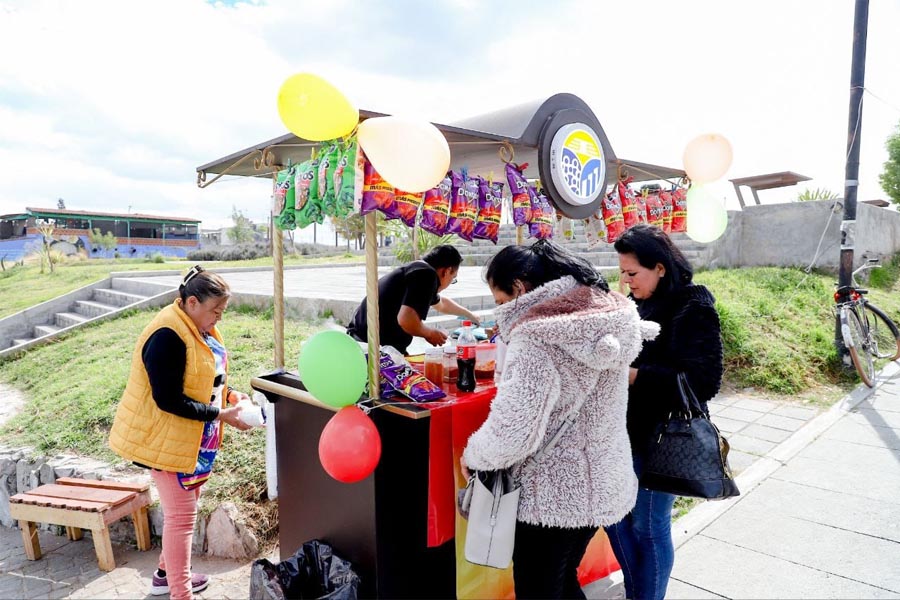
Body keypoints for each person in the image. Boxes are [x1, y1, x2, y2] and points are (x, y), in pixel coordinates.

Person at [460, 239, 657, 599]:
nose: (502, 310)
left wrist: (473, 457)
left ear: (520, 287)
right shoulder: (605, 317)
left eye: (502, 300)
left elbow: (515, 431)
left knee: (541, 589)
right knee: (563, 582)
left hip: (551, 495)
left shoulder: (536, 336)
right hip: (599, 485)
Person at [109, 265, 252, 600]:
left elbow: (205, 378)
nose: (219, 318)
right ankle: (180, 593)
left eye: (222, 311)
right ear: (191, 302)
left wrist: (230, 396)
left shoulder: (199, 328)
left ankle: (164, 575)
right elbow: (168, 399)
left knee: (186, 510)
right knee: (182, 519)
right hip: (166, 440)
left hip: (194, 441)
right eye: (215, 311)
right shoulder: (167, 336)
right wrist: (222, 415)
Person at [604, 225, 724, 600]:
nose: (625, 281)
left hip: (666, 435)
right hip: (626, 430)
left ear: (659, 267)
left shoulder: (693, 305)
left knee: (649, 527)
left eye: (632, 273)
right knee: (613, 517)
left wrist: (634, 375)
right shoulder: (637, 305)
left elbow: (704, 381)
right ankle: (640, 591)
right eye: (622, 272)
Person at [347, 245, 480, 354]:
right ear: (446, 271)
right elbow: (406, 319)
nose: (451, 282)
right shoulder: (426, 275)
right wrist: (429, 333)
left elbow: (442, 304)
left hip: (364, 342)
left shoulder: (417, 271)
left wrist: (470, 315)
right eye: (453, 278)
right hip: (372, 350)